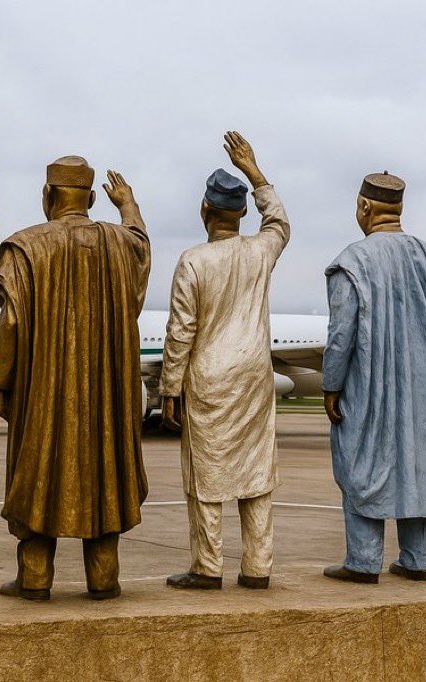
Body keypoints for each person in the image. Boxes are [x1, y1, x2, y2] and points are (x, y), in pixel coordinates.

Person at [0, 157, 150, 601]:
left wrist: (3, 381)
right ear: (93, 199)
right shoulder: (121, 244)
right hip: (105, 394)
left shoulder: (23, 247)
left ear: (47, 196)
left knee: (39, 469)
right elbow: (140, 243)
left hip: (41, 389)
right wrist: (129, 205)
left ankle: (35, 578)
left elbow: (12, 323)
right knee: (103, 473)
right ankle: (103, 577)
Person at [160, 132, 290, 591]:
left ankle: (207, 566)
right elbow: (280, 221)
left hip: (209, 379)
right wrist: (254, 169)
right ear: (241, 214)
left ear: (204, 211)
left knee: (207, 474)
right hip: (254, 378)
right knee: (256, 472)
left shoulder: (193, 261)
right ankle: (257, 566)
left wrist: (169, 387)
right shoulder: (261, 250)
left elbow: (181, 332)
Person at [322, 172, 426, 584]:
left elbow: (341, 334)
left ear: (364, 207)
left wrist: (332, 384)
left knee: (361, 461)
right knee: (413, 462)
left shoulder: (353, 260)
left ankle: (363, 561)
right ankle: (416, 559)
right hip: (422, 385)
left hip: (370, 384)